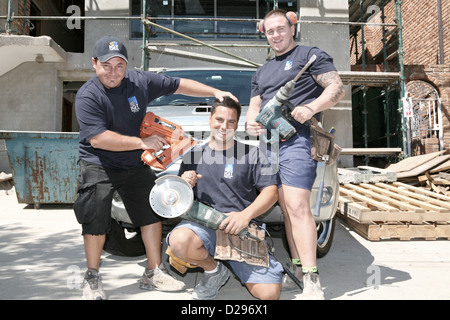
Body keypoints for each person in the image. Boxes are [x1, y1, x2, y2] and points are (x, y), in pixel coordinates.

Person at [74, 35, 237, 300]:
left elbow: (178, 84)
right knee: (95, 218)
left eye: (119, 65)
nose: (113, 72)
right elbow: (99, 138)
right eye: (107, 65)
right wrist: (142, 141)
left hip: (134, 163)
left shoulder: (139, 81)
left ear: (127, 65)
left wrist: (213, 92)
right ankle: (92, 277)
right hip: (99, 163)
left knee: (151, 212)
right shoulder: (88, 96)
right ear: (95, 64)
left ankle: (154, 272)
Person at [245, 9, 345, 300]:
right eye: (270, 31)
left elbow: (336, 87)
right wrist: (251, 121)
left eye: (280, 29)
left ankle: (313, 279)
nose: (276, 35)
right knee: (287, 209)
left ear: (292, 27)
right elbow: (254, 105)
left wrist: (312, 107)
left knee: (299, 206)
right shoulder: (261, 72)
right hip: (269, 146)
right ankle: (299, 270)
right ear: (264, 34)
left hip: (298, 140)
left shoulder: (308, 56)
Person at [166, 97, 284, 300]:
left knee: (269, 294)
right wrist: (183, 184)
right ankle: (213, 270)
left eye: (231, 122)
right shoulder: (193, 155)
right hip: (204, 227)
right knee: (179, 241)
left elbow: (271, 192)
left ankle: (251, 260)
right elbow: (176, 200)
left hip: (241, 229)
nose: (224, 126)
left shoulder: (253, 153)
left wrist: (245, 216)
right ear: (210, 119)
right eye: (219, 119)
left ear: (236, 124)